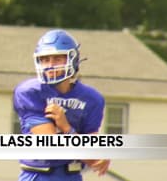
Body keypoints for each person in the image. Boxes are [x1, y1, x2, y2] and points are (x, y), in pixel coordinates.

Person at [13, 29, 110, 181]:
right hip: (38, 176)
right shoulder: (30, 92)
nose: (50, 65)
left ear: (72, 60)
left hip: (72, 175)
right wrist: (69, 130)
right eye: (45, 59)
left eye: (57, 59)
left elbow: (93, 159)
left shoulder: (92, 98)